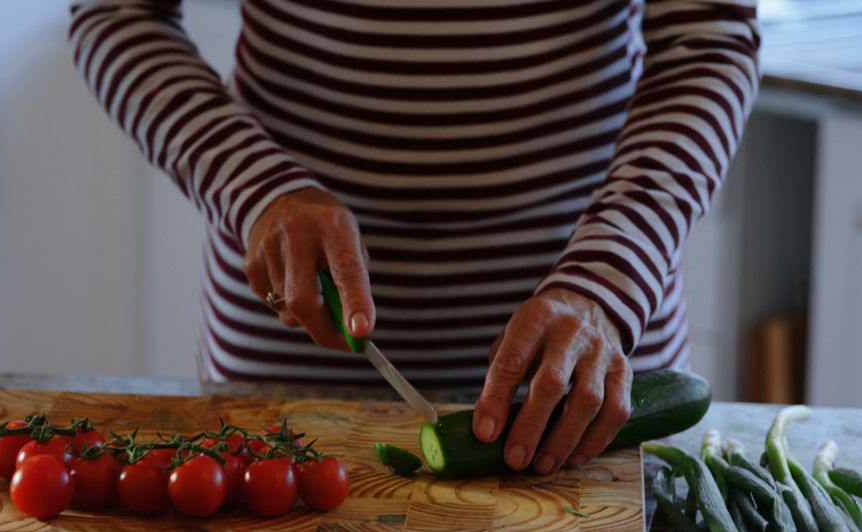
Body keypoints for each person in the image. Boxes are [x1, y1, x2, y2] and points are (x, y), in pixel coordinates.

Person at [69, 0, 759, 474]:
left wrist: (610, 276)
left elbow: (708, 41)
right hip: (298, 313)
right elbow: (116, 14)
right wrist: (253, 185)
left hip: (591, 323)